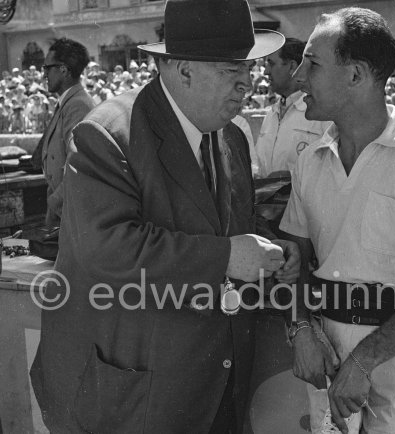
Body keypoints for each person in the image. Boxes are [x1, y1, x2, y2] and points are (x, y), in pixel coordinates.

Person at [29, 1, 299, 433]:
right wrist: (228, 257)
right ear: (182, 68)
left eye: (250, 69)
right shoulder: (106, 133)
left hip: (213, 389)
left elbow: (225, 226)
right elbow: (109, 248)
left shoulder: (231, 135)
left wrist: (269, 249)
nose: (248, 83)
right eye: (233, 70)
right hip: (133, 395)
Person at [280, 7, 395, 434]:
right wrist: (299, 328)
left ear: (356, 75)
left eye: (312, 64)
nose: (298, 78)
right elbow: (290, 262)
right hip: (328, 357)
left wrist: (364, 360)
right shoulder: (309, 162)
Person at [34, 37, 96, 227]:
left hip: (71, 215)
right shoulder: (68, 103)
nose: (43, 75)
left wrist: (54, 203)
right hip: (65, 212)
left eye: (47, 68)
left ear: (63, 69)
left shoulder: (77, 106)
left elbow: (79, 166)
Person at [255, 37, 331, 178]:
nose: (265, 72)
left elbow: (331, 169)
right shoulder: (271, 115)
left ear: (292, 67)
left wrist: (291, 177)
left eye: (271, 64)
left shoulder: (321, 114)